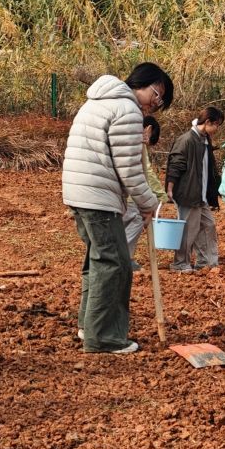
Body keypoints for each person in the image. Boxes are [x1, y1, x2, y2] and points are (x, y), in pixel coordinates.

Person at [60, 63, 173, 355]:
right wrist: (149, 203)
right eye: (157, 94)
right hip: (98, 196)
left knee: (98, 260)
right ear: (142, 83)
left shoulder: (97, 101)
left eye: (160, 100)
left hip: (79, 192)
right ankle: (104, 337)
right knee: (115, 264)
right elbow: (130, 170)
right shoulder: (127, 110)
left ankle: (89, 326)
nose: (155, 103)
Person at [165, 106, 225, 272]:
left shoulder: (204, 140)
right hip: (188, 193)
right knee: (188, 230)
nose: (217, 128)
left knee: (208, 225)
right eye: (216, 124)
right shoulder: (187, 140)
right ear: (207, 122)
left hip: (201, 195)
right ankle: (180, 264)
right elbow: (175, 165)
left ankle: (206, 263)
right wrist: (170, 188)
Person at [122, 114, 163, 264]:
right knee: (137, 221)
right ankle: (124, 259)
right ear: (148, 129)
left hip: (120, 193)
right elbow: (147, 172)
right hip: (130, 195)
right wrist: (161, 194)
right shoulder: (138, 143)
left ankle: (125, 258)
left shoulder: (125, 135)